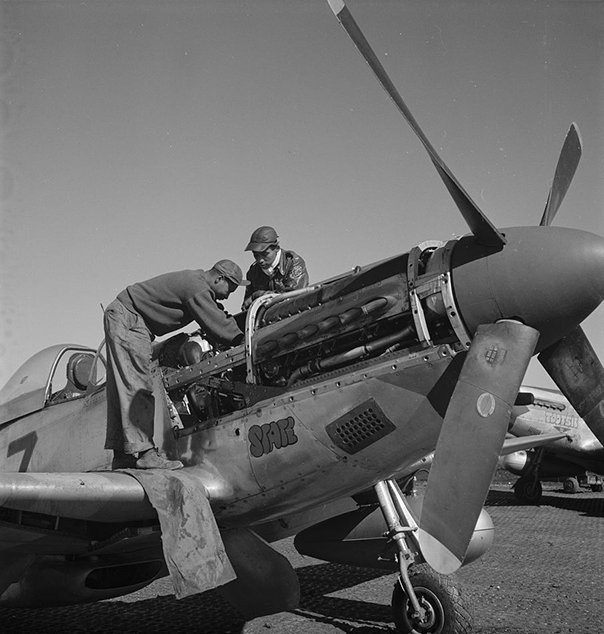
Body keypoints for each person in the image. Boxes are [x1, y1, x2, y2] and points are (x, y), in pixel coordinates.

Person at [104, 260, 249, 470]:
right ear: (219, 279)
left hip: (127, 317)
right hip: (130, 320)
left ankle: (122, 455)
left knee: (124, 388)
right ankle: (146, 454)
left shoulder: (197, 283)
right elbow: (217, 323)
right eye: (230, 289)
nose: (228, 296)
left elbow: (217, 313)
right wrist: (244, 341)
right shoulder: (197, 288)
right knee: (138, 387)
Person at [242, 226, 309, 310]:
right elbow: (247, 305)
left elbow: (293, 297)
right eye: (256, 255)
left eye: (265, 254)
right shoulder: (253, 272)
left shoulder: (292, 262)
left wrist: (258, 295)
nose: (260, 260)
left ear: (276, 248)